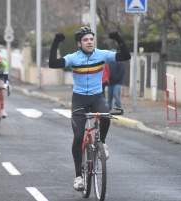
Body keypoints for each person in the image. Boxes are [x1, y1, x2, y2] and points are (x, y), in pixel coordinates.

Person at [48, 26, 131, 191]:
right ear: (79, 43)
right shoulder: (73, 58)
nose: (89, 42)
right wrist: (55, 43)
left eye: (91, 39)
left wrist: (119, 39)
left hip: (96, 97)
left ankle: (103, 143)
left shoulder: (102, 55)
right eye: (85, 40)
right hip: (79, 99)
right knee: (78, 137)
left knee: (106, 115)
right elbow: (53, 63)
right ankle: (78, 176)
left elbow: (125, 56)